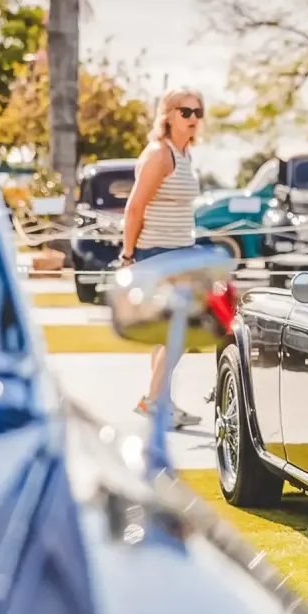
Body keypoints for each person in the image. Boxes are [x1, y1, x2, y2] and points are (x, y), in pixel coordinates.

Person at [118, 88, 206, 428]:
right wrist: (128, 256)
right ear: (168, 115)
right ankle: (153, 402)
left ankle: (160, 400)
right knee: (178, 331)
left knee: (166, 335)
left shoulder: (184, 154)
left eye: (198, 112)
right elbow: (134, 208)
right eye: (186, 112)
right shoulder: (160, 154)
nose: (193, 118)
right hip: (156, 254)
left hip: (180, 253)